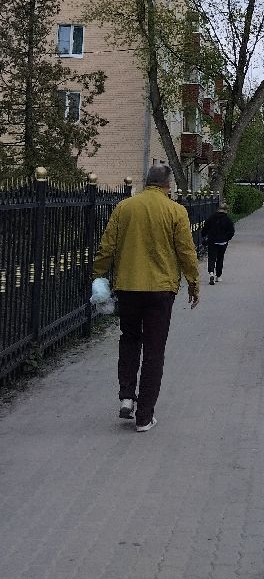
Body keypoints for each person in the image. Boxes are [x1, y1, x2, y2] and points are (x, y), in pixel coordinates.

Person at [92, 163, 200, 433]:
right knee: (154, 350)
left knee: (129, 339)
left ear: (145, 182)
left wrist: (98, 274)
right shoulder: (176, 211)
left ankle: (127, 396)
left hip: (128, 286)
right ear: (168, 185)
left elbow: (107, 245)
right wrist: (193, 283)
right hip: (161, 291)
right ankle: (144, 416)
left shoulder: (124, 208)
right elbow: (186, 251)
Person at [202, 203, 236, 284]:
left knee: (211, 257)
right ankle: (218, 276)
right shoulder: (228, 219)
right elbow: (231, 231)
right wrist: (227, 238)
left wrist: (203, 235)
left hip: (212, 241)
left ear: (218, 209)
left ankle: (211, 273)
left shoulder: (211, 217)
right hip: (223, 242)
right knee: (220, 258)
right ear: (226, 210)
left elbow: (205, 227)